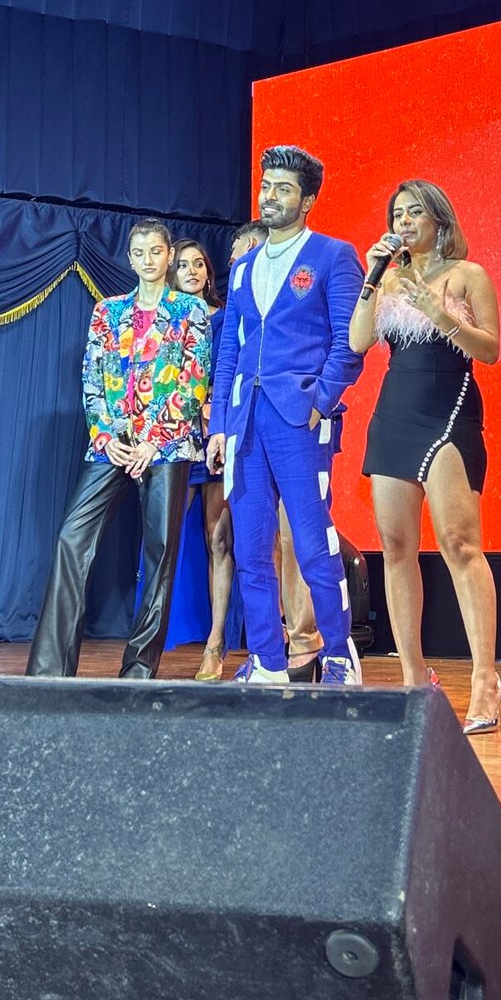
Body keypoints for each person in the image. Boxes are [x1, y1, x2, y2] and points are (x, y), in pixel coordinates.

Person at [349, 180, 501, 733]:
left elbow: (490, 350)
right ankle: (414, 679)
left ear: (439, 219)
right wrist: (371, 279)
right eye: (398, 214)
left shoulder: (468, 275)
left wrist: (442, 314)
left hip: (449, 411)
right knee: (396, 548)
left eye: (415, 212)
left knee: (460, 544)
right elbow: (358, 342)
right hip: (395, 415)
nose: (405, 221)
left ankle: (485, 679)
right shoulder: (388, 276)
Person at [208, 146, 366, 684]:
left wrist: (320, 401)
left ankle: (339, 653)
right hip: (245, 423)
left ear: (308, 200)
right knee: (251, 548)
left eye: (283, 189)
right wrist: (219, 425)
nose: (270, 197)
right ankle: (267, 660)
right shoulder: (243, 266)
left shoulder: (333, 256)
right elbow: (229, 350)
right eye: (266, 186)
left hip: (300, 421)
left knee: (313, 543)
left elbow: (350, 341)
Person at [27, 219, 210, 679]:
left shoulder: (190, 309)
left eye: (156, 251)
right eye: (139, 252)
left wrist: (155, 439)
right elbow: (91, 377)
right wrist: (108, 437)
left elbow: (193, 381)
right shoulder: (107, 311)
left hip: (165, 445)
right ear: (129, 259)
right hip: (113, 445)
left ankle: (139, 671)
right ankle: (49, 671)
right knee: (72, 539)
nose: (148, 260)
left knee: (160, 553)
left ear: (169, 255)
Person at [171, 227, 245, 682]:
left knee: (217, 539)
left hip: (216, 436)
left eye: (198, 263)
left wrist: (213, 408)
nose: (192, 271)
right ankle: (152, 640)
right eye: (183, 265)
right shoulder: (164, 321)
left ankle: (215, 645)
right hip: (175, 438)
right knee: (166, 538)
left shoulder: (225, 317)